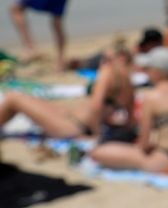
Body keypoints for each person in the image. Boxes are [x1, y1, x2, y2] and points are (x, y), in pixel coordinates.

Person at [90, 47, 168, 172]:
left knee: (98, 153)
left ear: (158, 71)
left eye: (149, 69)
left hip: (167, 160)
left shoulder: (152, 97)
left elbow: (144, 145)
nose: (146, 72)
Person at [0, 43, 135, 142]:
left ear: (120, 57)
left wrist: (96, 135)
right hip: (73, 120)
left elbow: (96, 105)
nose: (103, 61)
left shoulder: (108, 72)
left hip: (73, 127)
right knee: (29, 100)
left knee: (13, 98)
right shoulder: (128, 81)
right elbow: (128, 115)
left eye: (106, 58)